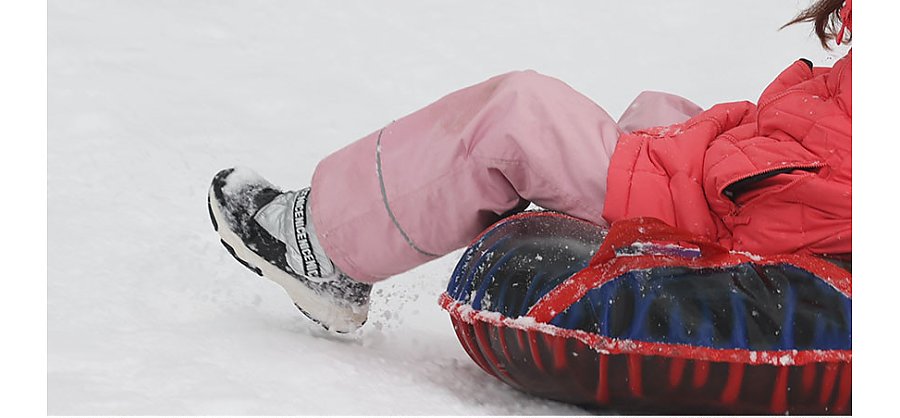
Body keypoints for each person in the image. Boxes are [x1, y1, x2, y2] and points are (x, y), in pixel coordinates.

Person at [208, 0, 852, 333]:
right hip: (706, 180)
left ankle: (323, 250)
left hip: (700, 219)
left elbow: (803, 215)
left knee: (519, 115)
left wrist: (720, 172)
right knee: (658, 107)